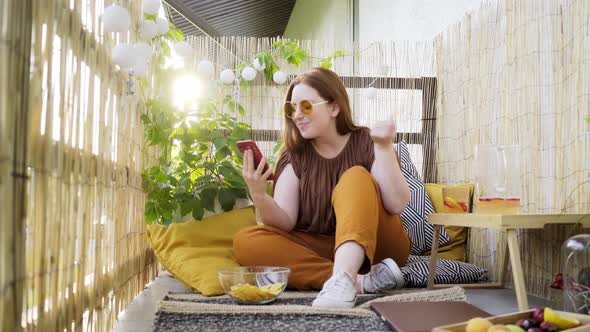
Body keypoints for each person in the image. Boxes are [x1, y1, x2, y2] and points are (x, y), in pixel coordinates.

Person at [234, 67, 411, 308]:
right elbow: (285, 222)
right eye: (291, 108)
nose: (296, 115)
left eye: (306, 106)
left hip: (378, 246)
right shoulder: (293, 155)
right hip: (322, 246)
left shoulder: (367, 141)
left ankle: (342, 277)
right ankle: (354, 281)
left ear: (334, 107)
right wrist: (258, 195)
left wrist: (384, 147)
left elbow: (397, 203)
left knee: (355, 177)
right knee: (246, 241)